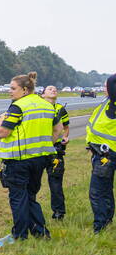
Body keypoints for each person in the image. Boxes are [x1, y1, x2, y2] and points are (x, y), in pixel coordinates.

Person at [0, 72, 63, 247]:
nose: (10, 91)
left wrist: (1, 120)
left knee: (18, 197)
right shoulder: (46, 105)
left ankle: (19, 235)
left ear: (24, 89)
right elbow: (59, 129)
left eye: (13, 88)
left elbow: (2, 133)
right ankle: (40, 232)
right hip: (40, 159)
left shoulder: (17, 106)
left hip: (18, 159)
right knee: (30, 196)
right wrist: (46, 143)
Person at [86, 74, 116, 233]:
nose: (105, 88)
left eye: (106, 86)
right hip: (101, 152)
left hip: (108, 154)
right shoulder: (106, 103)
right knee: (106, 189)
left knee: (97, 192)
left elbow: (112, 80)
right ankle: (107, 219)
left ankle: (100, 226)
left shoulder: (114, 103)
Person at [41, 85, 71, 219]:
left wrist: (65, 138)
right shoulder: (38, 108)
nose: (53, 90)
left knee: (55, 182)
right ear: (42, 94)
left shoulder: (60, 109)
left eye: (55, 89)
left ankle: (59, 212)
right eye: (49, 89)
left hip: (55, 150)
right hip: (38, 149)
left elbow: (66, 127)